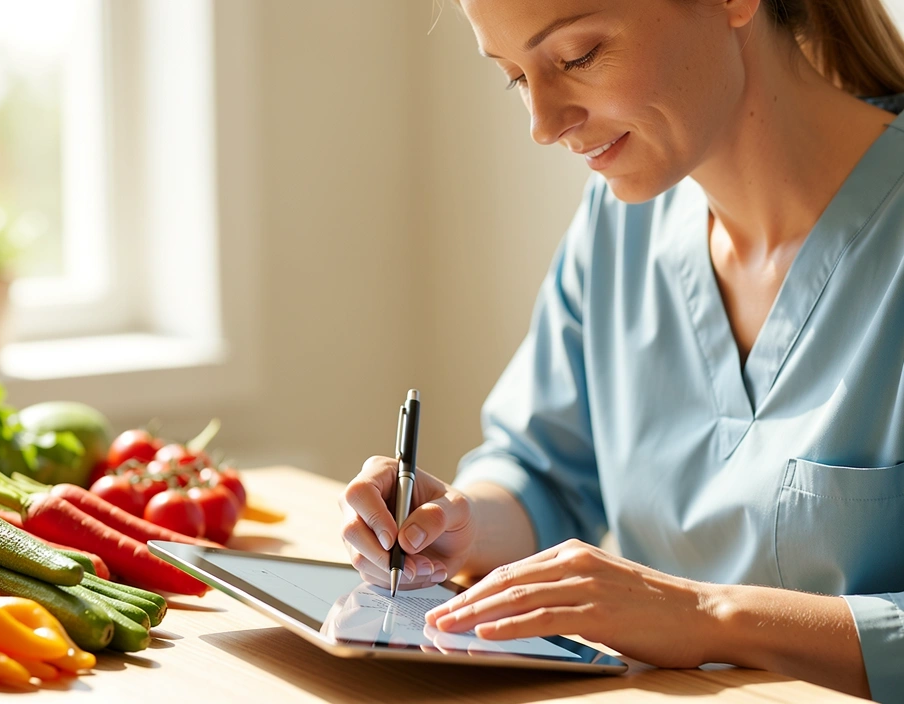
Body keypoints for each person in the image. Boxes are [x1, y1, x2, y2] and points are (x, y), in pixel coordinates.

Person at [338, 0, 904, 701]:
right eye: (516, 77)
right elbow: (544, 472)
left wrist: (708, 617)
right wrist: (454, 523)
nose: (543, 126)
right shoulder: (620, 225)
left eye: (577, 57)